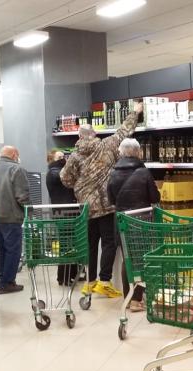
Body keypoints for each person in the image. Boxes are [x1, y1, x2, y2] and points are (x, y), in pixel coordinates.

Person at [61, 102, 143, 299]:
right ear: (95, 134)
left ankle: (89, 282)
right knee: (109, 242)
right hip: (106, 206)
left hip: (86, 207)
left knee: (90, 243)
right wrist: (136, 112)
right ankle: (104, 281)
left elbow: (64, 178)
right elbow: (125, 131)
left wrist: (80, 185)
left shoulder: (74, 156)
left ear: (79, 137)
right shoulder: (106, 145)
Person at [107, 138, 160, 311]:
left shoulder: (113, 173)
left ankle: (129, 298)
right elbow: (155, 198)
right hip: (141, 221)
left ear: (121, 152)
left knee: (127, 259)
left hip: (121, 222)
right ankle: (137, 299)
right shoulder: (143, 172)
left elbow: (111, 200)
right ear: (138, 152)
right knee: (142, 259)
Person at [0, 146, 30, 294]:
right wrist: (29, 210)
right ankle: (7, 283)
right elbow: (22, 196)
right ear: (13, 155)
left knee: (1, 249)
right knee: (13, 250)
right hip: (11, 217)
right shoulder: (17, 169)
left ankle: (2, 280)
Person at [46, 150, 78, 286]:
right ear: (51, 160)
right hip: (63, 213)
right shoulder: (54, 172)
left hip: (67, 211)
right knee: (66, 244)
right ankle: (63, 276)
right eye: (60, 157)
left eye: (64, 157)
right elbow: (64, 179)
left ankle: (72, 274)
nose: (63, 159)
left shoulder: (60, 170)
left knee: (72, 243)